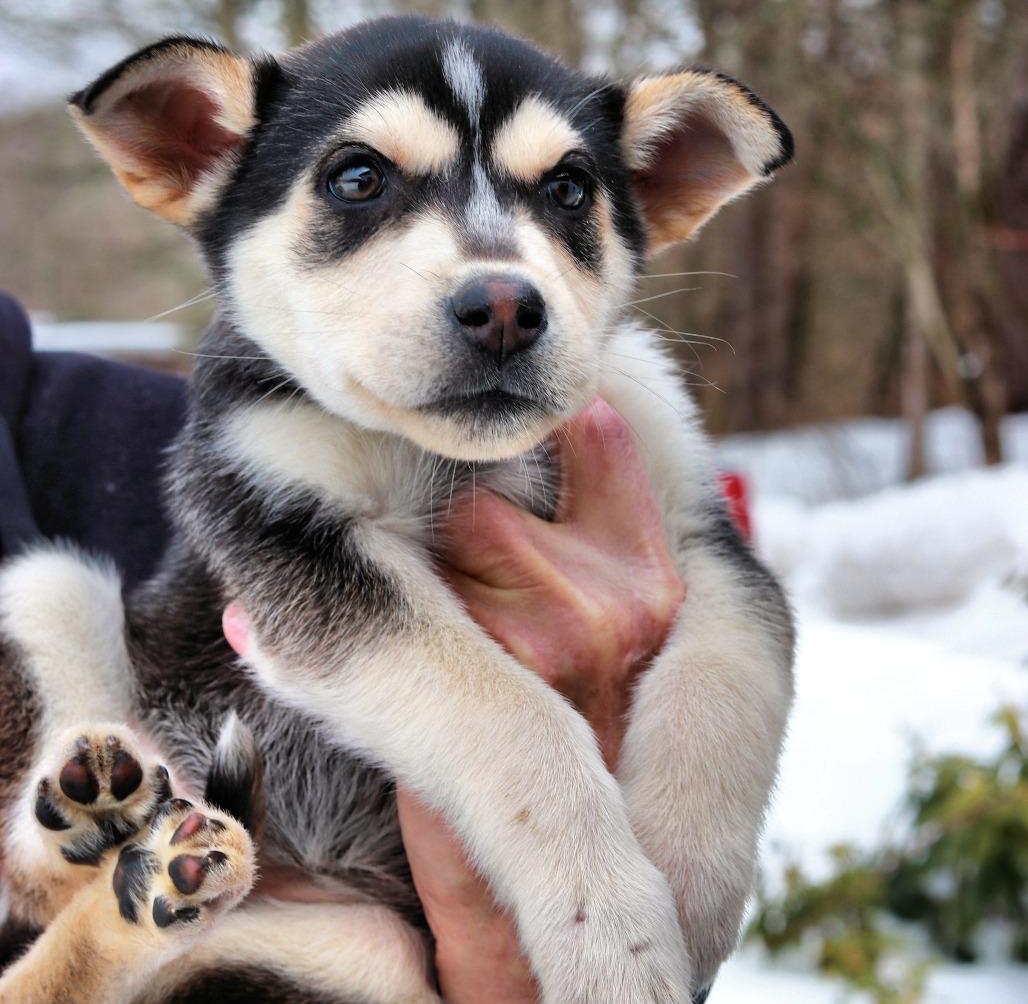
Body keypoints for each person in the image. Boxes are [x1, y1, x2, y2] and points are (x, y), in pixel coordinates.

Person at [0, 292, 686, 1001]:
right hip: (193, 878)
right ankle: (66, 860)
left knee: (49, 597)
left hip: (329, 910)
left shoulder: (129, 428)